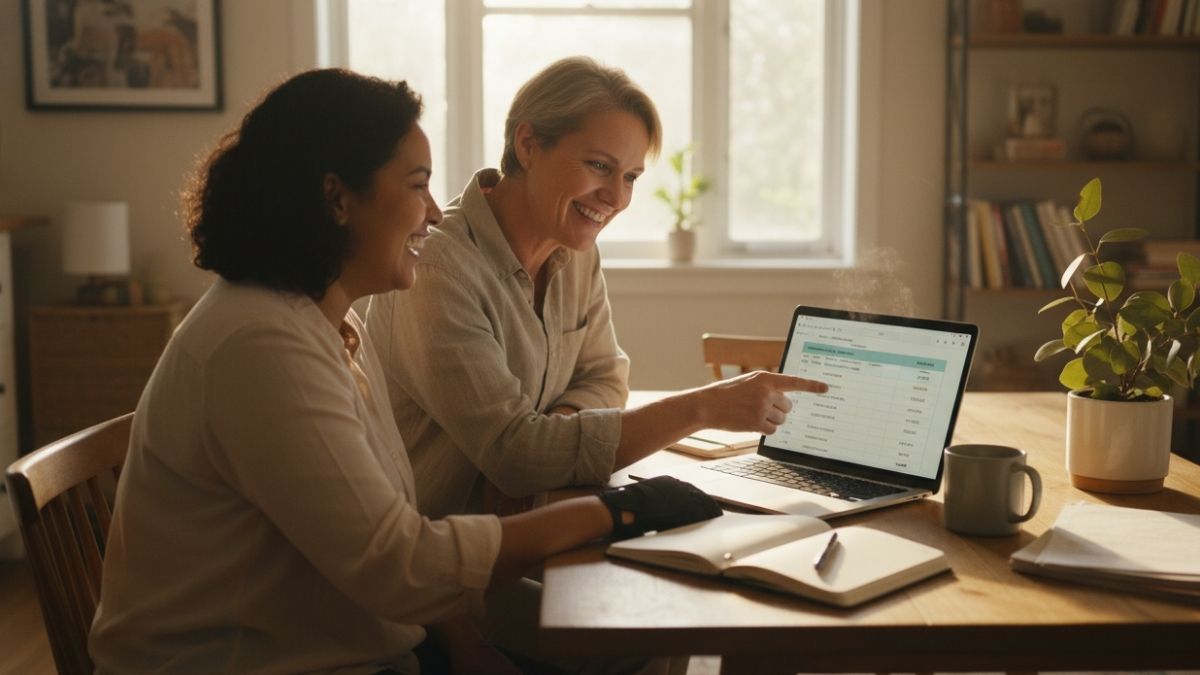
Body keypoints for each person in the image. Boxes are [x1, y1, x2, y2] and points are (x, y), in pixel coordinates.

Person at [88, 68, 721, 675]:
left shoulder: (329, 323)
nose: (435, 214)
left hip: (360, 637)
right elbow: (401, 565)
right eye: (416, 184)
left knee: (648, 631)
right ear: (337, 199)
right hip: (273, 663)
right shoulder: (260, 344)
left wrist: (463, 644)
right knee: (642, 633)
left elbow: (394, 535)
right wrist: (620, 511)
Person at [367, 56, 828, 519]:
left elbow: (607, 378)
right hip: (448, 566)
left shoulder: (577, 251)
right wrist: (702, 407)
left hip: (532, 529)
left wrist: (557, 431)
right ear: (527, 144)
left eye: (629, 177)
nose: (617, 197)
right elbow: (516, 456)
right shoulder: (437, 268)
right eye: (598, 165)